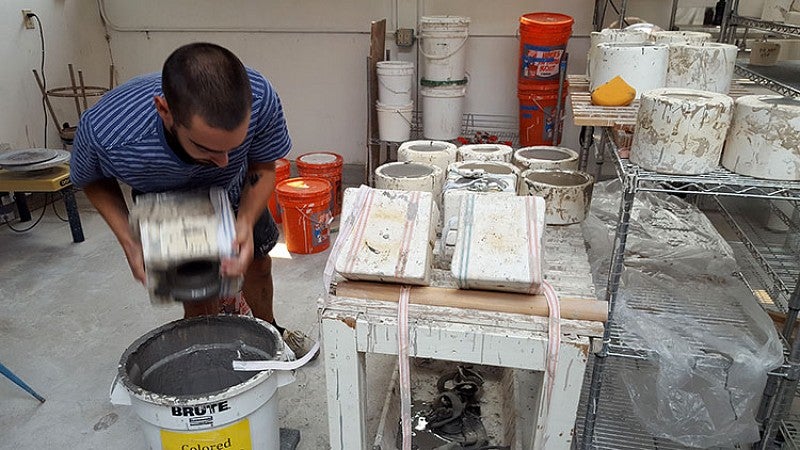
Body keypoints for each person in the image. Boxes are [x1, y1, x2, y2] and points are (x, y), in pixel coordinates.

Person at [70, 42, 313, 357]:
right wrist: (129, 241)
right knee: (200, 291)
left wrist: (245, 221)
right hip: (166, 197)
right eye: (207, 148)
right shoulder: (109, 133)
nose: (224, 160)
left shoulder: (260, 97)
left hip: (237, 187)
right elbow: (92, 180)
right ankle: (212, 352)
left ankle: (268, 335)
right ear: (165, 112)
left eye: (232, 146)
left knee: (257, 264)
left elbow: (263, 166)